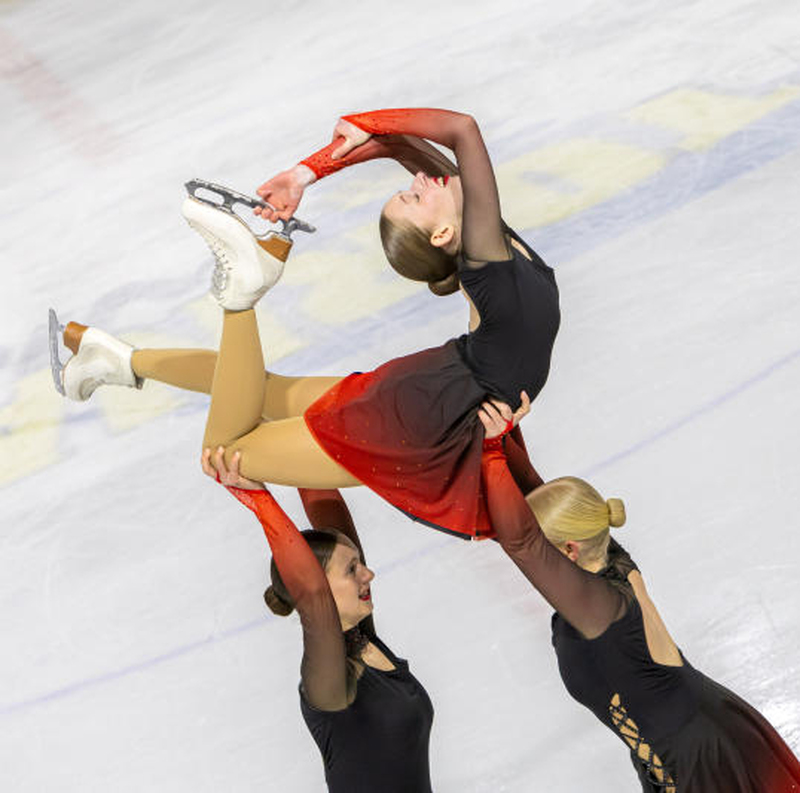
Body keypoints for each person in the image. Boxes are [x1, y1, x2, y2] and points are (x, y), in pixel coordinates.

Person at [53, 107, 560, 540]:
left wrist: (332, 150)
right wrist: (312, 167)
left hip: (434, 402)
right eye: (413, 196)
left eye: (411, 196)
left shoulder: (490, 251)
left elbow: (420, 140)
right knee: (240, 434)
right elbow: (431, 138)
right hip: (430, 410)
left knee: (247, 421)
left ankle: (117, 360)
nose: (420, 181)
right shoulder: (491, 256)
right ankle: (230, 305)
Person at [477, 404, 800, 792]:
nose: (542, 569)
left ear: (569, 551)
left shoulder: (599, 608)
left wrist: (490, 450)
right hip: (693, 736)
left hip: (696, 757)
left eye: (550, 556)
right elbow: (541, 501)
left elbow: (523, 543)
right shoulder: (608, 558)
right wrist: (507, 435)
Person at [205, 448, 435, 793]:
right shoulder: (329, 683)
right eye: (352, 570)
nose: (368, 574)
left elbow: (331, 519)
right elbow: (313, 595)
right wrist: (257, 499)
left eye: (360, 563)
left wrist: (299, 442)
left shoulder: (361, 639)